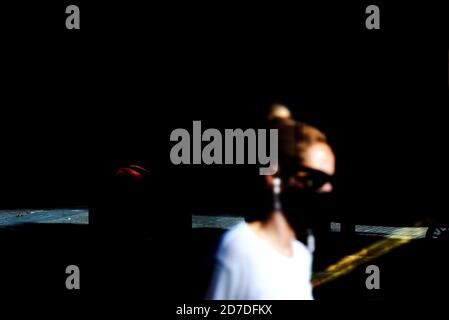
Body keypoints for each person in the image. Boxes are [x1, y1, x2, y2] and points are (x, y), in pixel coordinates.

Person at [205, 115, 335, 300]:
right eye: (315, 178)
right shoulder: (240, 247)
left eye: (330, 180)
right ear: (275, 175)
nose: (326, 189)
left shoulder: (301, 255)